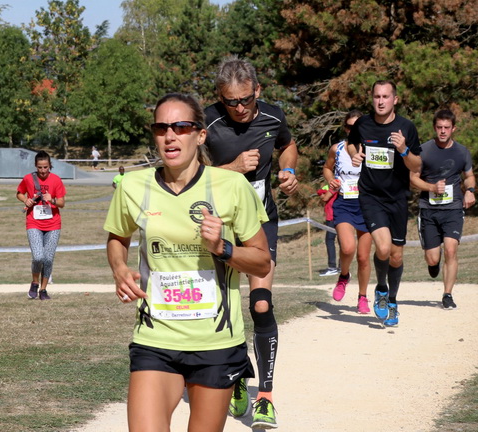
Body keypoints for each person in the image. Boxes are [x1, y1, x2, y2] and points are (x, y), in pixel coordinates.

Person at [104, 93, 271, 432]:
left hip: (215, 342)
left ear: (200, 135)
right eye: (161, 127)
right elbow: (117, 238)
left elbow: (262, 262)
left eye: (181, 126)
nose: (170, 135)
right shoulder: (134, 186)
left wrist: (223, 247)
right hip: (155, 338)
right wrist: (120, 269)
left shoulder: (232, 186)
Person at [204, 56, 298, 428]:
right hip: (218, 227)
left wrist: (288, 170)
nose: (240, 108)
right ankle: (238, 377)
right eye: (231, 102)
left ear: (257, 90)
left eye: (246, 99)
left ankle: (266, 394)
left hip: (261, 223)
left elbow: (288, 145)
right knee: (222, 308)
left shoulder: (273, 116)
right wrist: (232, 169)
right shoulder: (207, 122)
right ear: (220, 97)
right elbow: (187, 172)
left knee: (260, 304)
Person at [347, 80, 422, 327]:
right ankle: (380, 289)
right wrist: (354, 154)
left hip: (398, 198)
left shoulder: (406, 128)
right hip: (370, 196)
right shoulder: (363, 124)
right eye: (377, 96)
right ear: (372, 98)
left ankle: (392, 300)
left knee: (396, 257)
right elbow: (351, 143)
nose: (381, 101)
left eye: (386, 97)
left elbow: (416, 165)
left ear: (395, 100)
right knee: (383, 248)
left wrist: (403, 150)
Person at [410, 109, 475, 309]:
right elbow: (412, 178)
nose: (443, 131)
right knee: (433, 257)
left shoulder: (462, 151)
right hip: (428, 209)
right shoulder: (424, 150)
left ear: (453, 128)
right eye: (439, 127)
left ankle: (447, 295)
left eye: (447, 127)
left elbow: (469, 175)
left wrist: (470, 190)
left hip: (453, 208)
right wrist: (431, 187)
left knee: (451, 249)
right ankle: (433, 264)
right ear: (434, 128)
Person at [323, 110, 372, 314]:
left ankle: (362, 297)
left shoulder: (372, 148)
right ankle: (344, 276)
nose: (354, 130)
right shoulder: (338, 148)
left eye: (357, 126)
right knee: (348, 247)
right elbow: (327, 168)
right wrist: (330, 181)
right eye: (350, 127)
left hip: (368, 206)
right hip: (344, 203)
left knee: (363, 257)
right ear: (346, 128)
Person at [16, 151, 66, 300]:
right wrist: (25, 200)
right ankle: (34, 282)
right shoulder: (28, 179)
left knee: (48, 259)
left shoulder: (56, 180)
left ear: (50, 165)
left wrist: (53, 200)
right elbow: (19, 193)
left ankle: (43, 290)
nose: (43, 171)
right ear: (35, 166)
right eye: (40, 167)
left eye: (46, 167)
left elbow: (62, 203)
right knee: (38, 257)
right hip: (34, 223)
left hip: (53, 225)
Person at [316, 184, 338, 277]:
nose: (321, 197)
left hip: (333, 217)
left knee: (329, 240)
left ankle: (332, 267)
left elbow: (325, 198)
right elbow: (320, 192)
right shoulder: (328, 186)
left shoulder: (335, 186)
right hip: (332, 217)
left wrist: (327, 193)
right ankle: (341, 266)